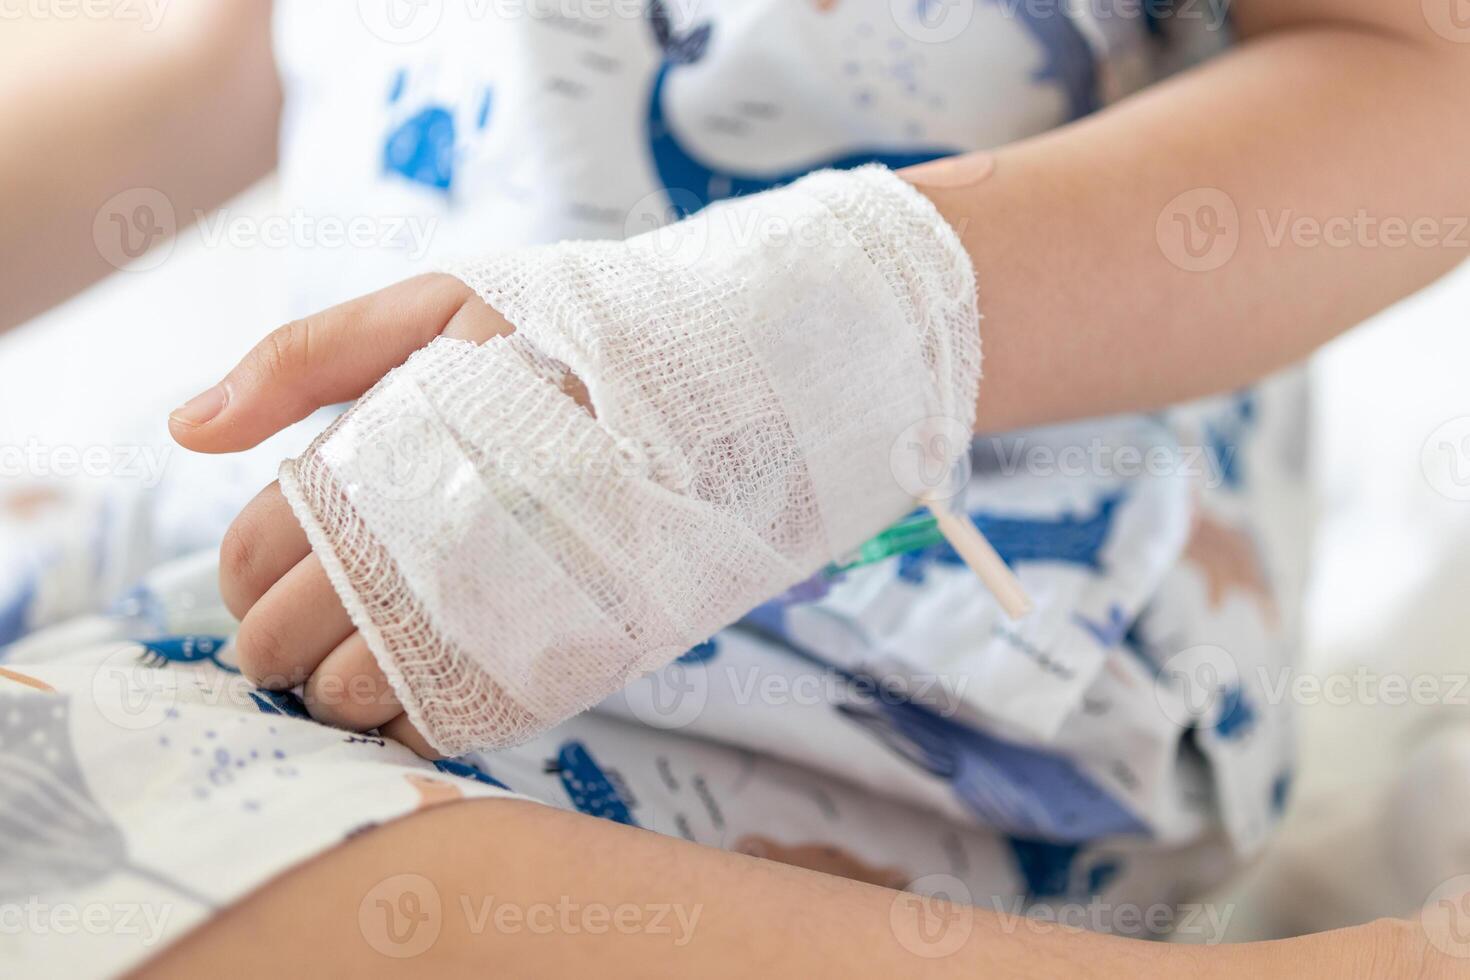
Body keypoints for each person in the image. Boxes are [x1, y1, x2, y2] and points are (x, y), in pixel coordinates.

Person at [2, 1, 1467, 975]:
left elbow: (1416, 76)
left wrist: (759, 363)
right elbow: (228, 56)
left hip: (911, 616)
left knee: (33, 829)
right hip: (333, 527)